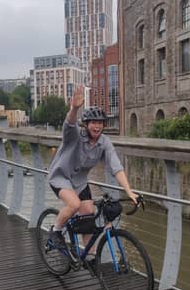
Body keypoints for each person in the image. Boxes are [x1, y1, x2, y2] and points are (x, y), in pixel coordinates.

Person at [47, 85, 138, 256]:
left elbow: (116, 167)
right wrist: (74, 108)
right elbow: (70, 123)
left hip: (80, 182)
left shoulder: (104, 143)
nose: (97, 126)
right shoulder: (75, 136)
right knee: (74, 204)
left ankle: (90, 256)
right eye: (93, 123)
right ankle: (56, 231)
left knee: (88, 215)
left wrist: (129, 192)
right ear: (87, 124)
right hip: (61, 177)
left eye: (100, 123)